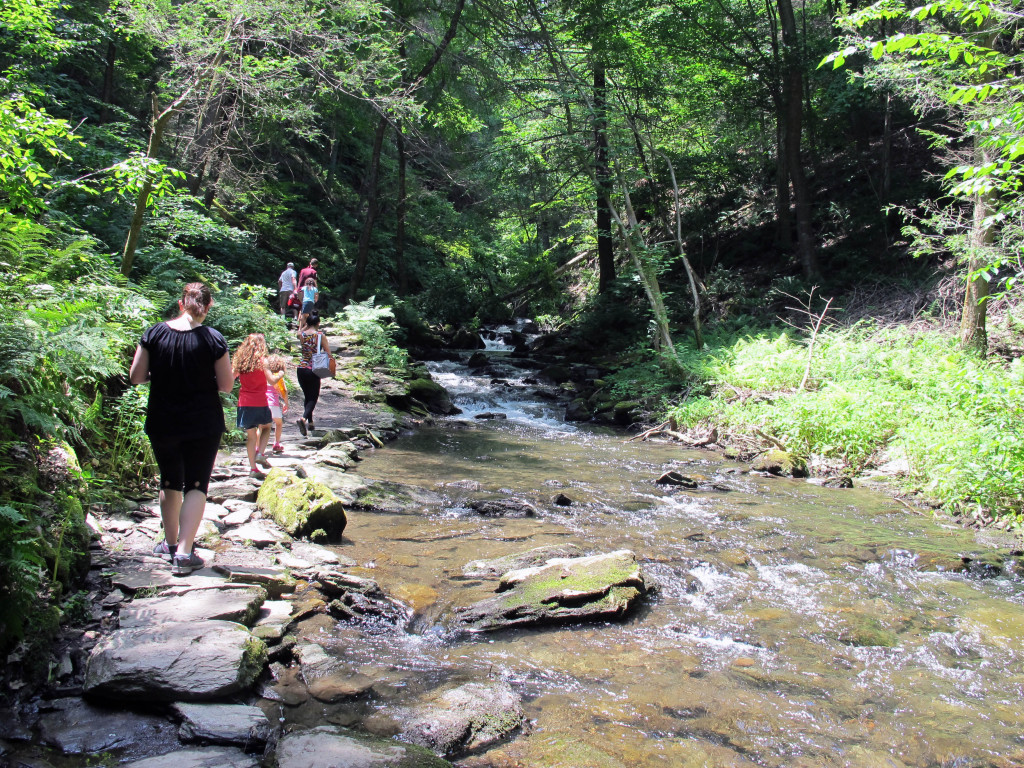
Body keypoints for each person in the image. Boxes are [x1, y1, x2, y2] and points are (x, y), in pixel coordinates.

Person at [129, 283, 233, 577]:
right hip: (203, 422)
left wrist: (162, 374)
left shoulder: (154, 333)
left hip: (162, 419)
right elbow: (226, 385)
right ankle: (185, 555)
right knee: (197, 484)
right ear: (208, 307)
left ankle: (170, 544)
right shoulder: (213, 339)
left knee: (170, 480)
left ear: (180, 303)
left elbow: (136, 376)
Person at [232, 333, 281, 477]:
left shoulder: (240, 362)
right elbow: (272, 381)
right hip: (260, 401)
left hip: (245, 402)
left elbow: (230, 377)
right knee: (266, 426)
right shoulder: (263, 361)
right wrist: (280, 375)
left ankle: (253, 469)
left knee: (251, 436)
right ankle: (260, 453)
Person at [295, 311, 331, 436]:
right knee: (313, 397)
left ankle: (310, 423)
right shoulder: (320, 336)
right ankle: (303, 419)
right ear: (318, 323)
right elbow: (328, 352)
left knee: (307, 396)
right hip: (313, 369)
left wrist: (306, 324)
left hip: (301, 368)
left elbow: (299, 332)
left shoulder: (302, 335)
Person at [266, 355, 289, 453]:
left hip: (262, 403)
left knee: (262, 426)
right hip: (273, 404)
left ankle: (257, 448)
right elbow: (284, 391)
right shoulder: (278, 377)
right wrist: (286, 403)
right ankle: (276, 443)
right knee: (279, 423)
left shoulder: (264, 375)